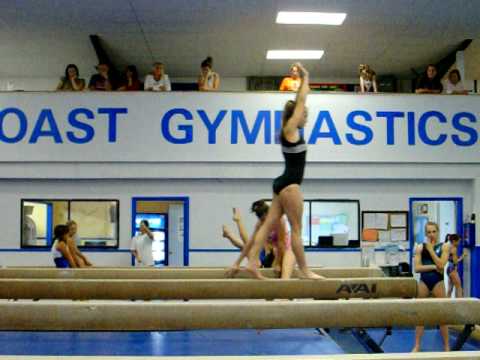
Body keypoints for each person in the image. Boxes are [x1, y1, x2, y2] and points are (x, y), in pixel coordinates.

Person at [227, 63, 322, 280]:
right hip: (290, 185)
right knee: (296, 230)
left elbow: (299, 102)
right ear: (296, 116)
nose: (305, 117)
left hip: (282, 184)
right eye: (304, 115)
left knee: (268, 223)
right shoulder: (290, 129)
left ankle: (252, 263)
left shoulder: (287, 130)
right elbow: (301, 100)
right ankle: (305, 271)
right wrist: (305, 77)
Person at [223, 202, 295, 278]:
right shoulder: (260, 223)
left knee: (285, 276)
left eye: (265, 219)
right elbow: (249, 242)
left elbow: (281, 244)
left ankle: (284, 277)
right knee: (251, 251)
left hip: (287, 249)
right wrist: (237, 263)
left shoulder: (279, 220)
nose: (264, 222)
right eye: (262, 220)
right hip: (270, 252)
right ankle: (237, 221)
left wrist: (277, 263)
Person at [412, 222, 450, 352]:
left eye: (434, 231)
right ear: (425, 233)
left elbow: (442, 264)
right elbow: (417, 268)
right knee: (420, 315)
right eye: (429, 232)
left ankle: (446, 346)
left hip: (438, 283)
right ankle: (417, 345)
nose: (431, 234)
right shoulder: (419, 248)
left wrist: (430, 250)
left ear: (438, 232)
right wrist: (434, 267)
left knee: (442, 316)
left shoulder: (445, 246)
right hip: (424, 282)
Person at [446, 234, 467, 298]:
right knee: (459, 288)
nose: (459, 243)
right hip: (453, 270)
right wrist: (462, 256)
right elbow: (455, 262)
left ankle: (446, 304)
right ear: (454, 241)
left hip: (449, 269)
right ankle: (460, 304)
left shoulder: (448, 247)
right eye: (458, 241)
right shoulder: (454, 248)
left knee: (450, 289)